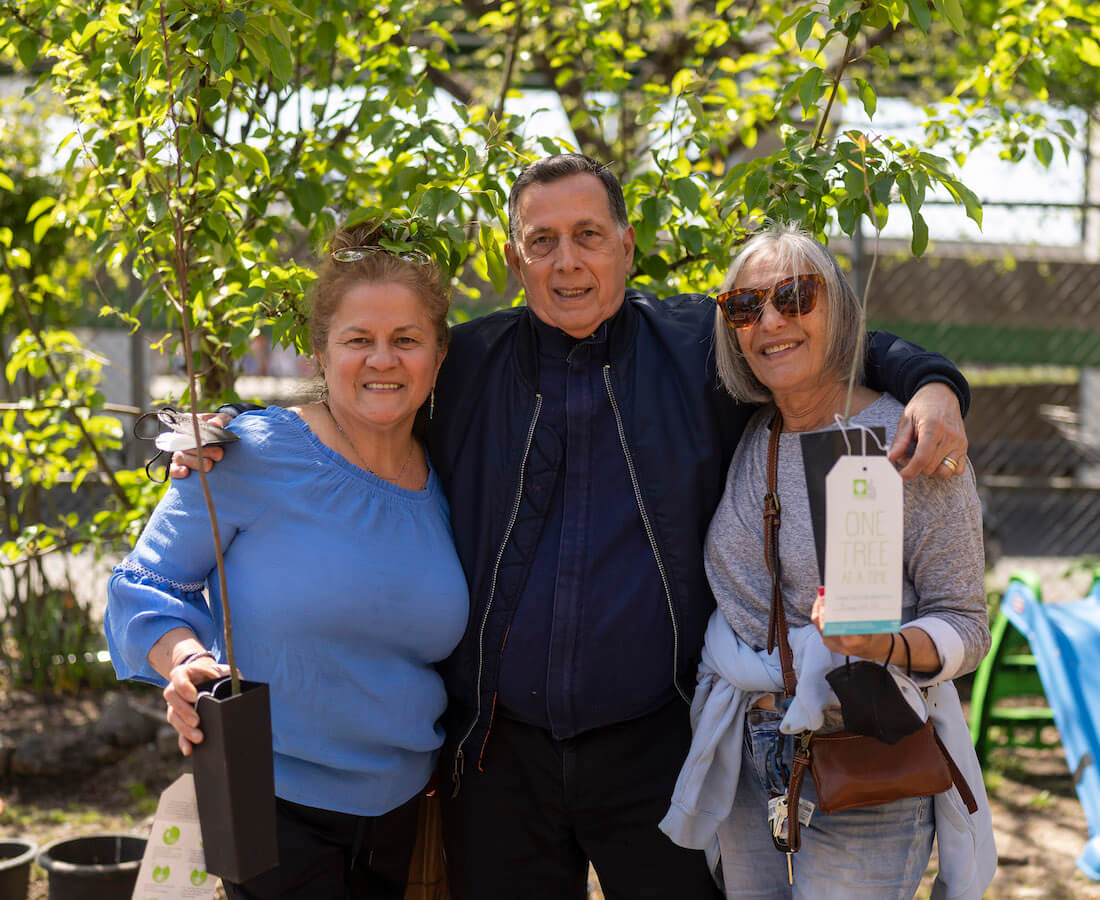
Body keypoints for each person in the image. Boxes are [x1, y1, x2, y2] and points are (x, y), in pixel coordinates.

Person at [173, 154, 972, 899]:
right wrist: (239, 438)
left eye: (589, 236)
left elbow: (822, 343)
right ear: (515, 261)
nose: (568, 262)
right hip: (496, 758)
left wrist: (933, 383)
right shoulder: (468, 364)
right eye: (542, 242)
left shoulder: (700, 345)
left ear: (626, 246)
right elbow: (365, 387)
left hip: (657, 747)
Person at [105, 226, 469, 899]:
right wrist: (185, 662)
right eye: (358, 339)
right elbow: (143, 586)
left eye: (406, 340)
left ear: (439, 354)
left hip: (406, 816)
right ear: (318, 352)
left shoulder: (455, 478)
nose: (382, 360)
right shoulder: (249, 454)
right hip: (268, 805)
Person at [659, 223, 994, 898]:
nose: (770, 321)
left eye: (794, 295)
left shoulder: (910, 443)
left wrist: (887, 645)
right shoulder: (755, 431)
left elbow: (965, 624)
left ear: (837, 308)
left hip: (863, 747)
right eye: (745, 307)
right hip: (747, 753)